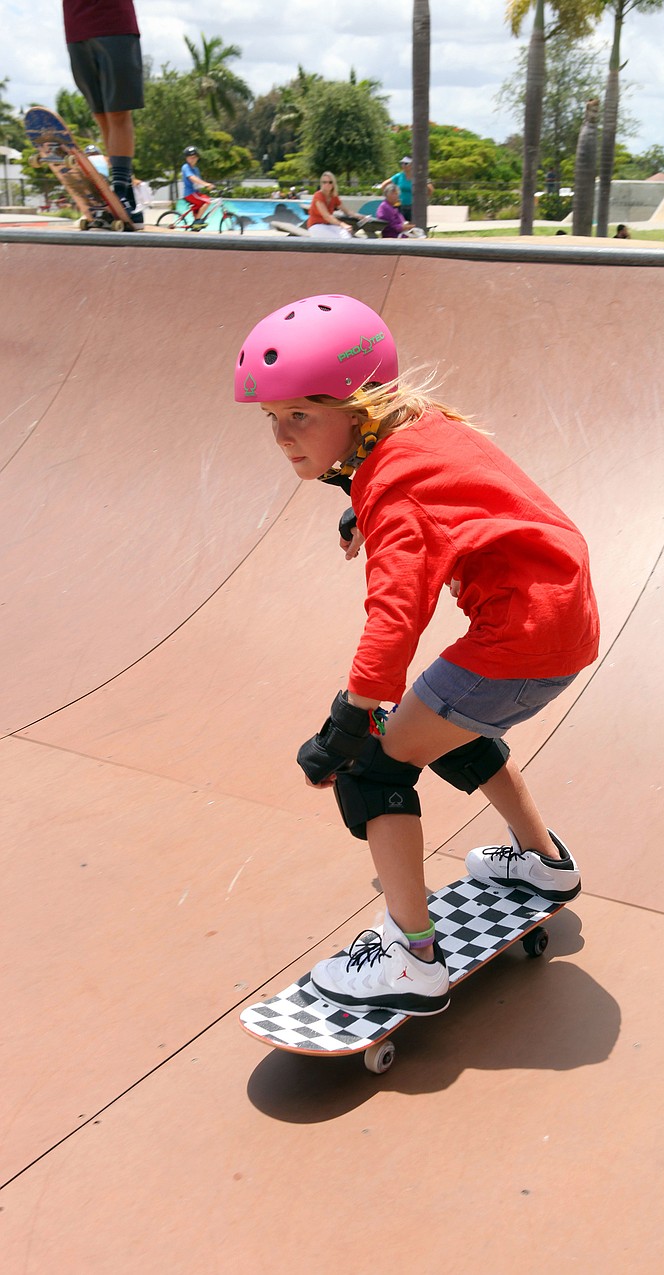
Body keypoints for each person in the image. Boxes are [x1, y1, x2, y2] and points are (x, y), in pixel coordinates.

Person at [233, 295, 600, 1015]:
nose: (282, 436)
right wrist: (358, 501)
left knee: (374, 765)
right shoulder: (419, 433)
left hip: (517, 640)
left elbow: (395, 619)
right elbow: (462, 495)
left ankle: (410, 954)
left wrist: (346, 722)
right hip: (557, 621)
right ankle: (544, 864)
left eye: (301, 415)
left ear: (362, 407)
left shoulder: (395, 490)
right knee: (442, 723)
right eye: (271, 418)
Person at [62, 0, 144, 225]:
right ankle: (122, 199)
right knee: (100, 114)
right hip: (77, 27)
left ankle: (120, 192)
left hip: (114, 24)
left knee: (117, 112)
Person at [379, 156, 432, 222]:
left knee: (413, 226)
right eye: (402, 163)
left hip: (414, 207)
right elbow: (384, 185)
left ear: (412, 165)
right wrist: (390, 198)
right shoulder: (399, 176)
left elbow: (430, 189)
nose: (403, 165)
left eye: (406, 163)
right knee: (400, 224)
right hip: (399, 206)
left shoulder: (418, 176)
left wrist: (423, 200)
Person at [306, 172, 356, 237]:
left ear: (333, 183)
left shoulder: (334, 196)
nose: (327, 184)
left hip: (328, 225)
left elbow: (346, 211)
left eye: (330, 182)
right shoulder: (318, 195)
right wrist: (342, 224)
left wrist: (360, 216)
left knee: (346, 234)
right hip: (315, 226)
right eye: (324, 182)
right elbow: (327, 216)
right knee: (338, 239)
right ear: (321, 183)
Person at [181, 147, 214, 226]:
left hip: (196, 193)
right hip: (190, 193)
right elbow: (192, 178)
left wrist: (207, 187)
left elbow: (198, 182)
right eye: (190, 157)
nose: (193, 159)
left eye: (195, 157)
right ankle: (197, 221)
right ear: (186, 158)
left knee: (199, 208)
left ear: (197, 158)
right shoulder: (186, 167)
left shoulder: (196, 169)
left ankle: (195, 224)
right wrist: (206, 184)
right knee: (207, 201)